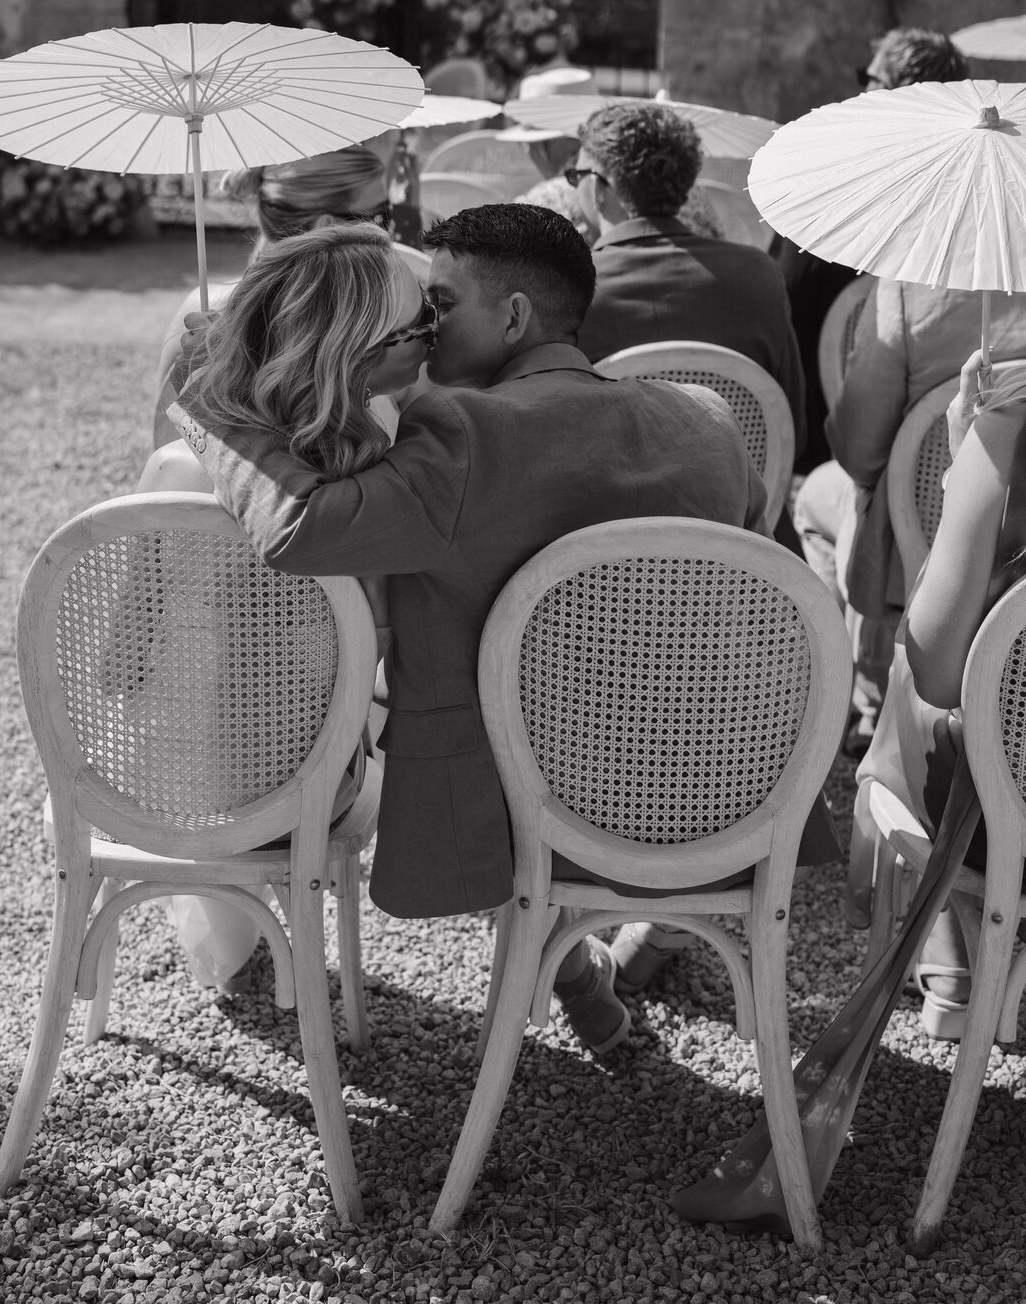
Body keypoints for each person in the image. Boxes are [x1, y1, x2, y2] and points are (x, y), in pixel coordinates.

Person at [167, 202, 807, 1055]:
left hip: (532, 806)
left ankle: (578, 968)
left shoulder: (463, 435)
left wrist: (211, 402)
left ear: (512, 317)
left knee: (487, 705)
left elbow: (298, 529)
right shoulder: (711, 422)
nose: (424, 331)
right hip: (727, 791)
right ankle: (594, 968)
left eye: (441, 305)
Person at [138, 221, 439, 993]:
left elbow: (118, 667)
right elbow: (381, 665)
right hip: (309, 795)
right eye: (420, 328)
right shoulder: (382, 476)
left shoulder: (169, 470)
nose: (433, 341)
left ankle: (233, 940)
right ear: (358, 352)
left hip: (157, 791)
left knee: (205, 724)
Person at [854, 349, 1026, 1038]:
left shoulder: (1006, 417)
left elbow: (936, 669)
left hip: (1009, 828)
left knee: (917, 687)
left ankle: (954, 930)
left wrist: (969, 462)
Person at [774, 26, 973, 470]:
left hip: (829, 447)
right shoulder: (974, 214)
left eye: (871, 78)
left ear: (894, 95)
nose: (861, 87)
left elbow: (782, 303)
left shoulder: (825, 196)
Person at [570, 102, 806, 455]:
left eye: (575, 177)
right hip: (737, 505)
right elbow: (792, 434)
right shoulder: (758, 274)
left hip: (609, 507)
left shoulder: (570, 288)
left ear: (597, 188)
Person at [152, 145, 424, 446]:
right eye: (381, 215)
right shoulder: (380, 330)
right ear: (329, 228)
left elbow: (163, 445)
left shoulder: (201, 309)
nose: (391, 228)